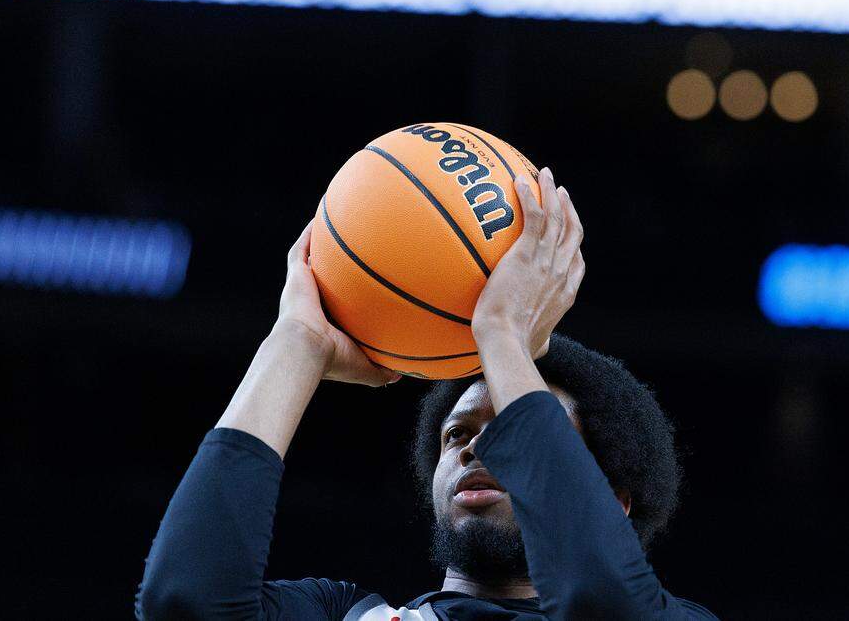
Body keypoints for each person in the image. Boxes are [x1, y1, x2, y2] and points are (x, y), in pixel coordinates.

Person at [136, 167, 718, 619]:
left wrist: (503, 338)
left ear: (612, 502)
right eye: (457, 435)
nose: (475, 449)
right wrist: (296, 344)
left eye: (513, 431)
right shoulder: (349, 615)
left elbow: (602, 600)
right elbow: (185, 602)